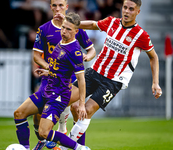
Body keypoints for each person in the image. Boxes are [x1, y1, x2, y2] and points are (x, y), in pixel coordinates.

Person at [54, 0, 162, 149]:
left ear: (138, 12)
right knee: (69, 102)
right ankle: (67, 135)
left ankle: (66, 146)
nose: (127, 11)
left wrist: (155, 82)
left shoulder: (141, 35)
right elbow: (93, 25)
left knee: (88, 109)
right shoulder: (111, 22)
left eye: (131, 9)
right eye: (125, 7)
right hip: (95, 71)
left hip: (113, 81)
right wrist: (73, 25)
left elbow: (154, 57)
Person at [14, 0, 95, 149]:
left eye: (61, 5)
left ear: (66, 7)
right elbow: (39, 57)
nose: (58, 9)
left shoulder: (75, 35)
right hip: (49, 81)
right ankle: (45, 139)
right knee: (27, 115)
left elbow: (89, 54)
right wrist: (48, 68)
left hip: (65, 85)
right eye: (55, 5)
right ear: (50, 7)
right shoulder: (49, 32)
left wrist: (87, 56)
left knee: (76, 108)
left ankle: (76, 144)